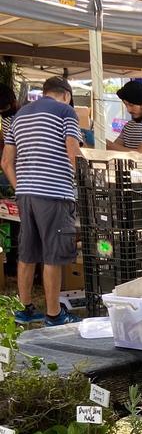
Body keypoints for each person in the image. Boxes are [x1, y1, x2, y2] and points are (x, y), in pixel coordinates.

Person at [1, 76, 81, 325]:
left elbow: (5, 162)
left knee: (27, 253)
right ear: (66, 94)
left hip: (26, 194)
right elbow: (73, 153)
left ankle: (25, 309)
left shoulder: (19, 116)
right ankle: (54, 314)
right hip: (55, 192)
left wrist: (21, 186)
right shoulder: (66, 111)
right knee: (53, 255)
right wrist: (77, 182)